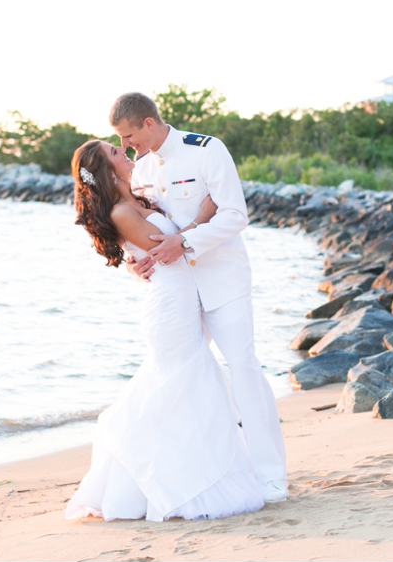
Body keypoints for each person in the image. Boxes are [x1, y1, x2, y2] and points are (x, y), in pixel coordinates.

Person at [65, 139, 265, 522]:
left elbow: (153, 252)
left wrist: (138, 259)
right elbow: (165, 248)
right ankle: (162, 479)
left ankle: (186, 473)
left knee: (187, 391)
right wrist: (202, 217)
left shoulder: (139, 201)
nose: (125, 153)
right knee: (178, 387)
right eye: (115, 153)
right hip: (169, 310)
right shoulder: (123, 211)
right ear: (108, 172)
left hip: (186, 302)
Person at [109, 92, 288, 503]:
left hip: (222, 283)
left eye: (130, 135)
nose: (126, 145)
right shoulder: (141, 170)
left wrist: (185, 242)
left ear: (149, 123)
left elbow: (234, 215)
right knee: (182, 383)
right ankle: (187, 473)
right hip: (177, 295)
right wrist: (137, 265)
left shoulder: (206, 150)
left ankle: (270, 473)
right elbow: (144, 232)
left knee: (243, 368)